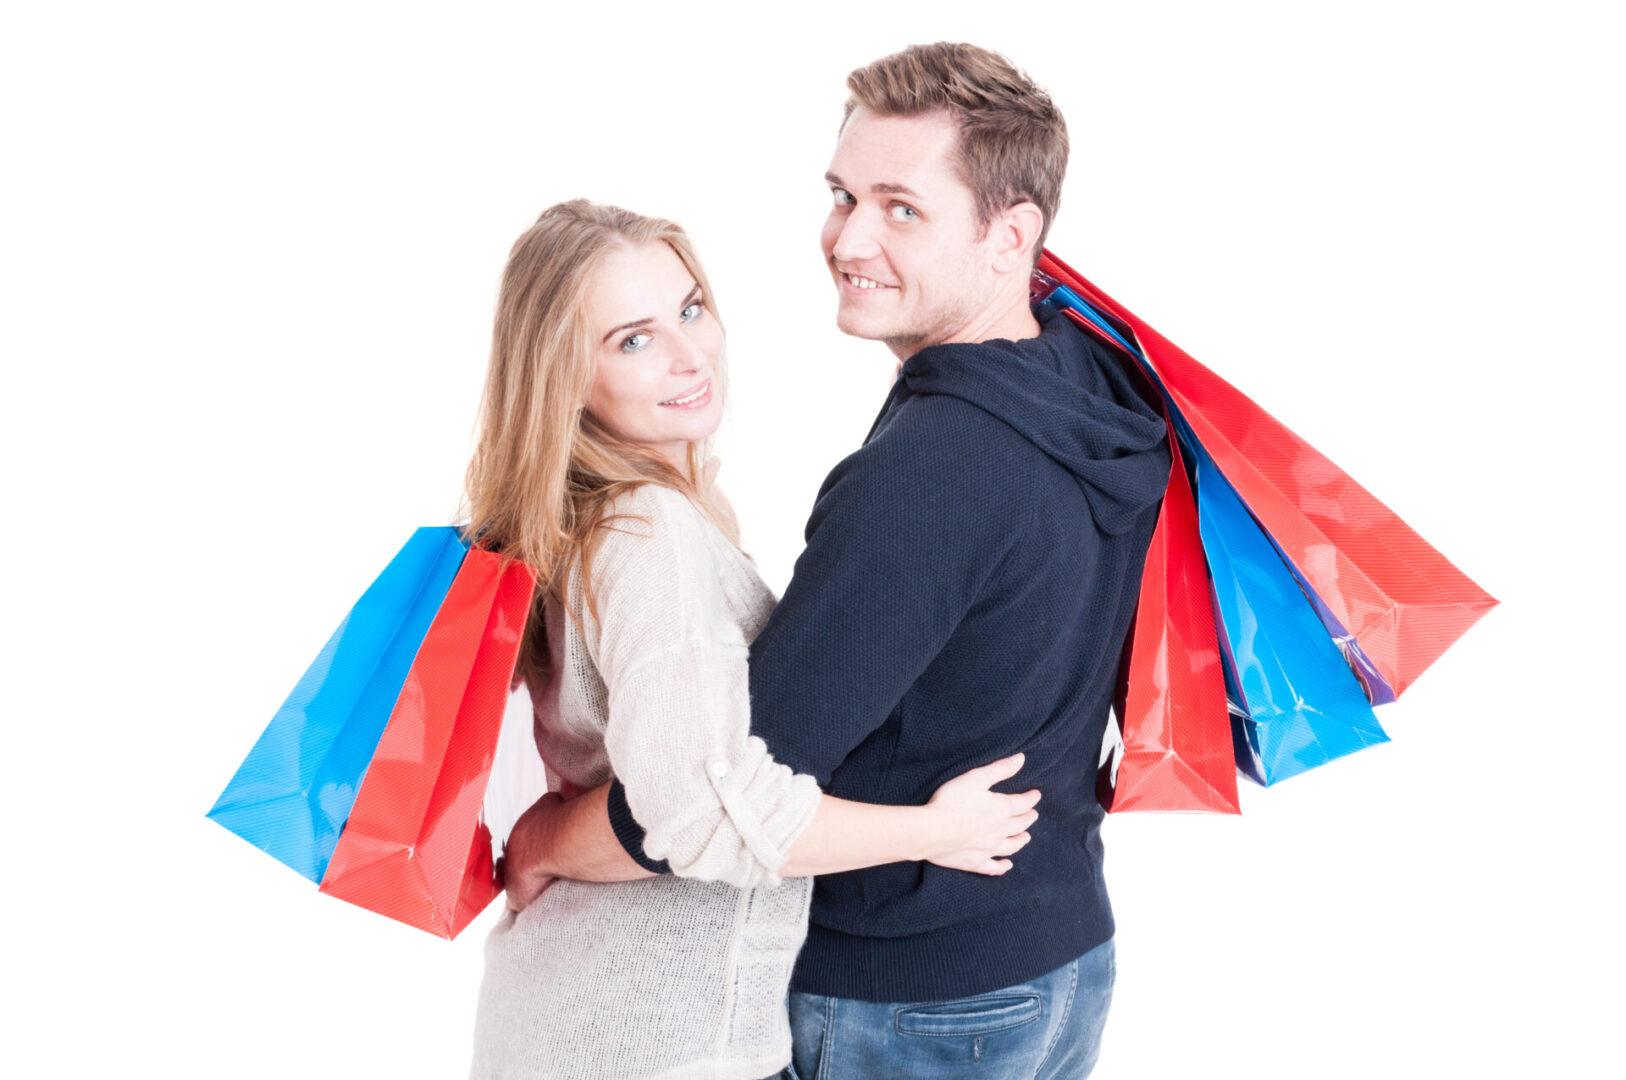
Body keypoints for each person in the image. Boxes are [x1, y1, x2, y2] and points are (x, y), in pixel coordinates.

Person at [509, 44, 1173, 1078]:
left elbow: (719, 799)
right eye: (841, 193)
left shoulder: (931, 471)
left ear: (1012, 237)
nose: (847, 237)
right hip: (1060, 954)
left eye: (900, 207)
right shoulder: (1088, 379)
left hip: (913, 998)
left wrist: (545, 838)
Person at [461, 199, 1045, 1080]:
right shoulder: (648, 532)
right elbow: (697, 820)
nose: (691, 353)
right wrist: (932, 830)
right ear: (562, 379)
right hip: (655, 1047)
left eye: (691, 309)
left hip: (577, 1015)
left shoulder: (594, 519)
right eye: (633, 339)